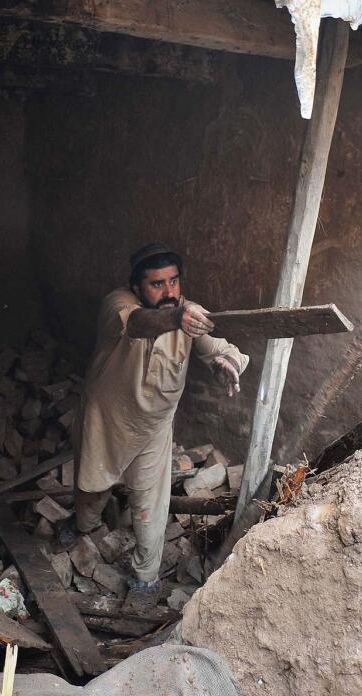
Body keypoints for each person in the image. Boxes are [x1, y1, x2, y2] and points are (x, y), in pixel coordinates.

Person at [58, 243, 248, 609]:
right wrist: (178, 318)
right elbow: (138, 324)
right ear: (136, 286)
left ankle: (146, 578)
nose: (169, 292)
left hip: (152, 428)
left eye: (174, 281)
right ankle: (82, 527)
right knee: (92, 488)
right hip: (106, 420)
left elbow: (219, 346)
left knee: (149, 504)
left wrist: (227, 363)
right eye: (157, 284)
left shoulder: (188, 314)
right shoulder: (118, 304)